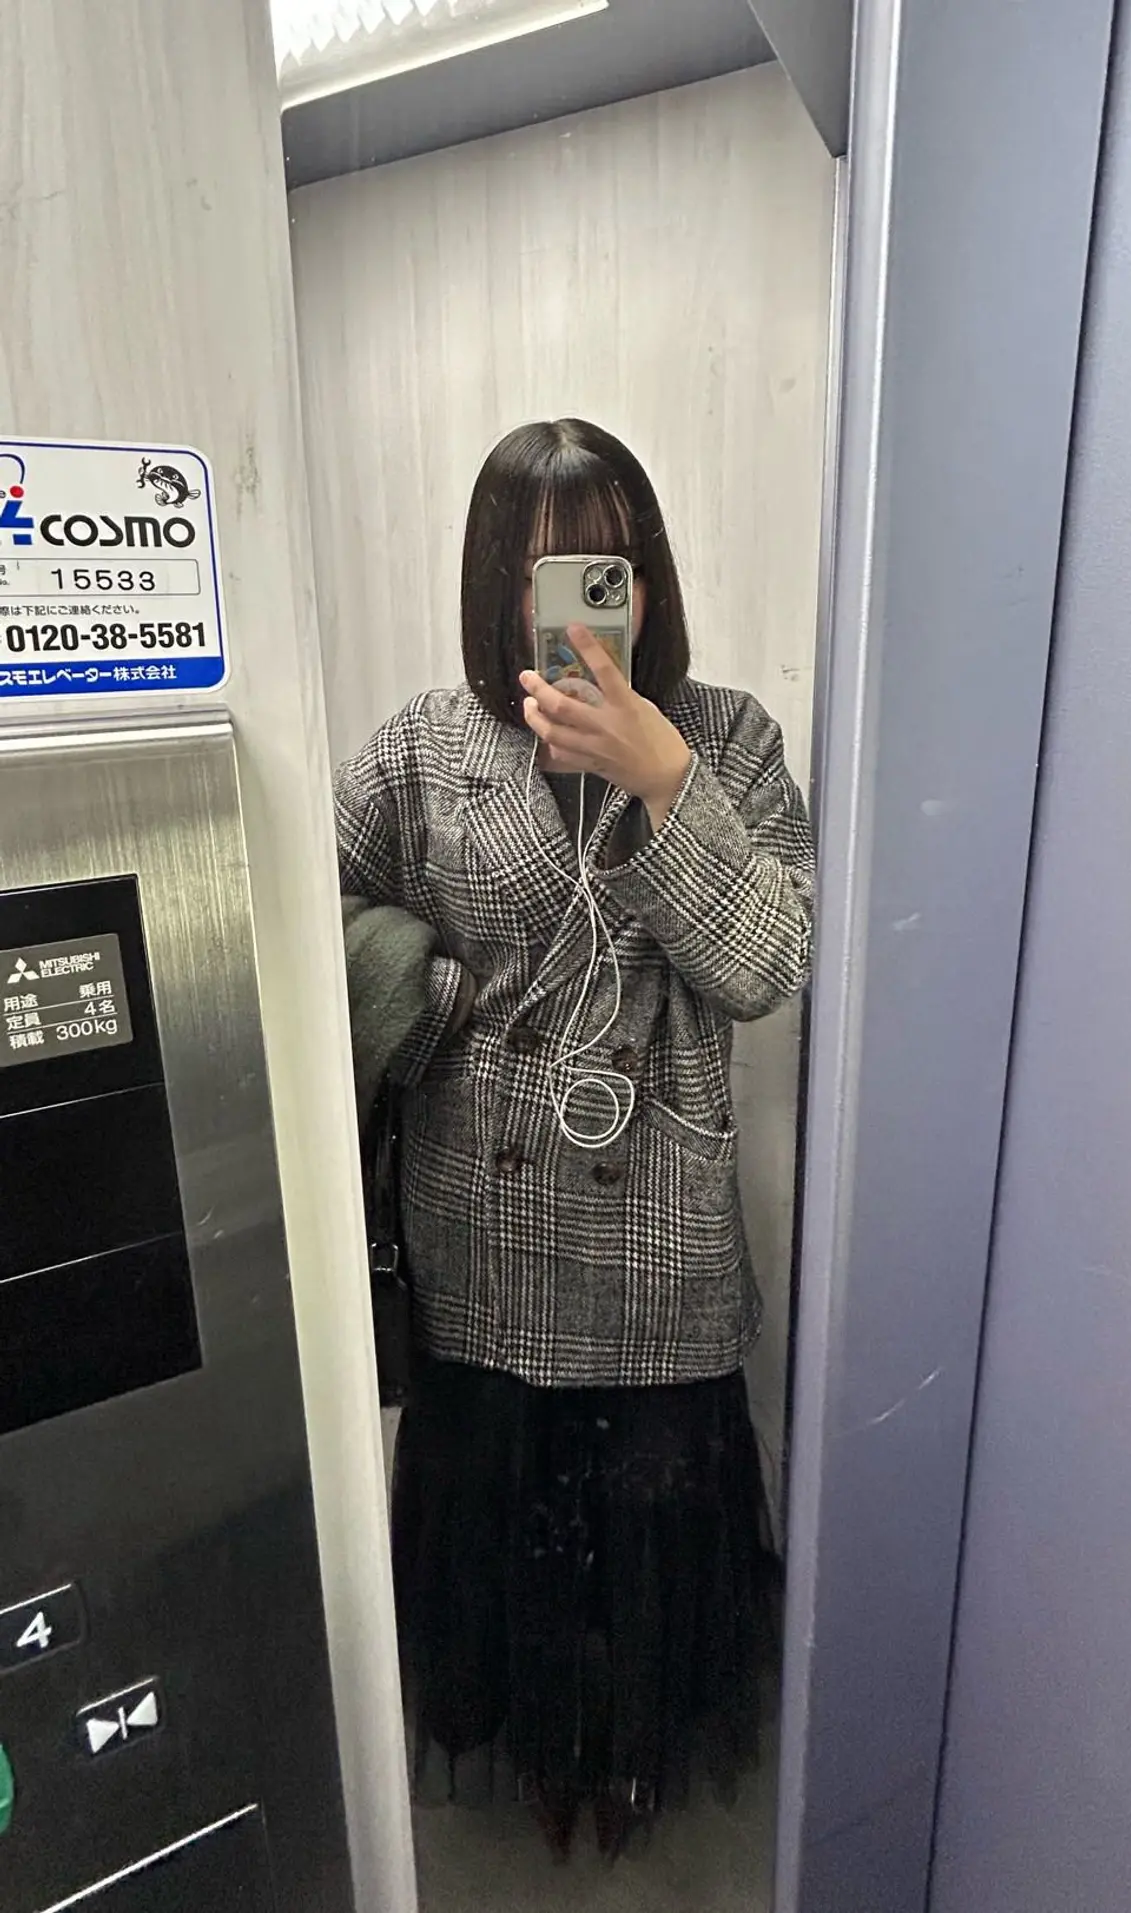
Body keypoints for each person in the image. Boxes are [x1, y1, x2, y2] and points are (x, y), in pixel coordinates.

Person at [333, 418, 814, 1859]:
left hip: (658, 1233)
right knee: (502, 1545)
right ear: (497, 585)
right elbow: (311, 919)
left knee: (652, 1549)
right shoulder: (424, 747)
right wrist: (422, 994)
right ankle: (538, 1762)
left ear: (649, 578)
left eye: (611, 566)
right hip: (483, 1227)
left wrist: (667, 782)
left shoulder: (727, 737)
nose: (584, 604)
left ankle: (634, 1763)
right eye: (546, 571)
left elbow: (769, 966)